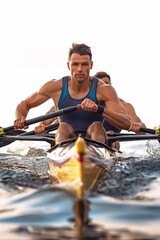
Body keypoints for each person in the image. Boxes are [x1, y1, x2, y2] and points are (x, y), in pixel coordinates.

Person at [14, 43, 142, 145]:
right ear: (68, 66)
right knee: (63, 127)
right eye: (75, 64)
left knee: (97, 126)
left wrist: (98, 109)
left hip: (95, 138)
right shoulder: (55, 87)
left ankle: (95, 162)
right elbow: (24, 104)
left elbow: (126, 122)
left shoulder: (104, 89)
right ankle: (64, 162)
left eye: (84, 64)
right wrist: (20, 117)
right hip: (66, 137)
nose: (80, 69)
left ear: (91, 65)